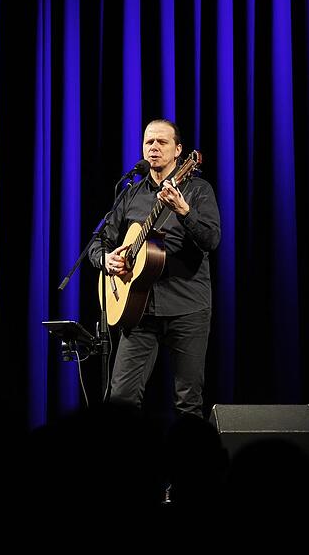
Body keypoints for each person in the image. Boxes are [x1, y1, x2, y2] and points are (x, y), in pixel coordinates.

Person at [88, 119, 221, 418]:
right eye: (149, 142)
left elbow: (211, 240)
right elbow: (99, 241)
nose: (154, 148)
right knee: (120, 400)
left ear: (178, 150)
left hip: (187, 306)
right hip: (138, 310)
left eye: (162, 142)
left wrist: (184, 211)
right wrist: (106, 259)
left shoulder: (197, 190)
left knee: (188, 401)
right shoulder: (131, 193)